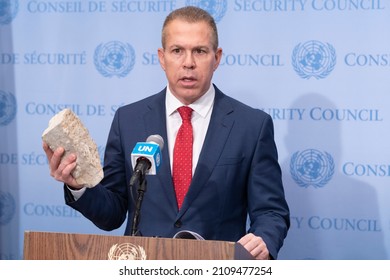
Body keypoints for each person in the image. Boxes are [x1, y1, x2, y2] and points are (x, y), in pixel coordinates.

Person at [43, 6, 290, 260]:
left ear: (217, 57)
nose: (188, 63)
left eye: (200, 51)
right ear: (162, 58)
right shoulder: (129, 120)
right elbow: (113, 213)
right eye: (177, 51)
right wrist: (78, 186)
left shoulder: (251, 125)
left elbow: (271, 212)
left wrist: (264, 240)